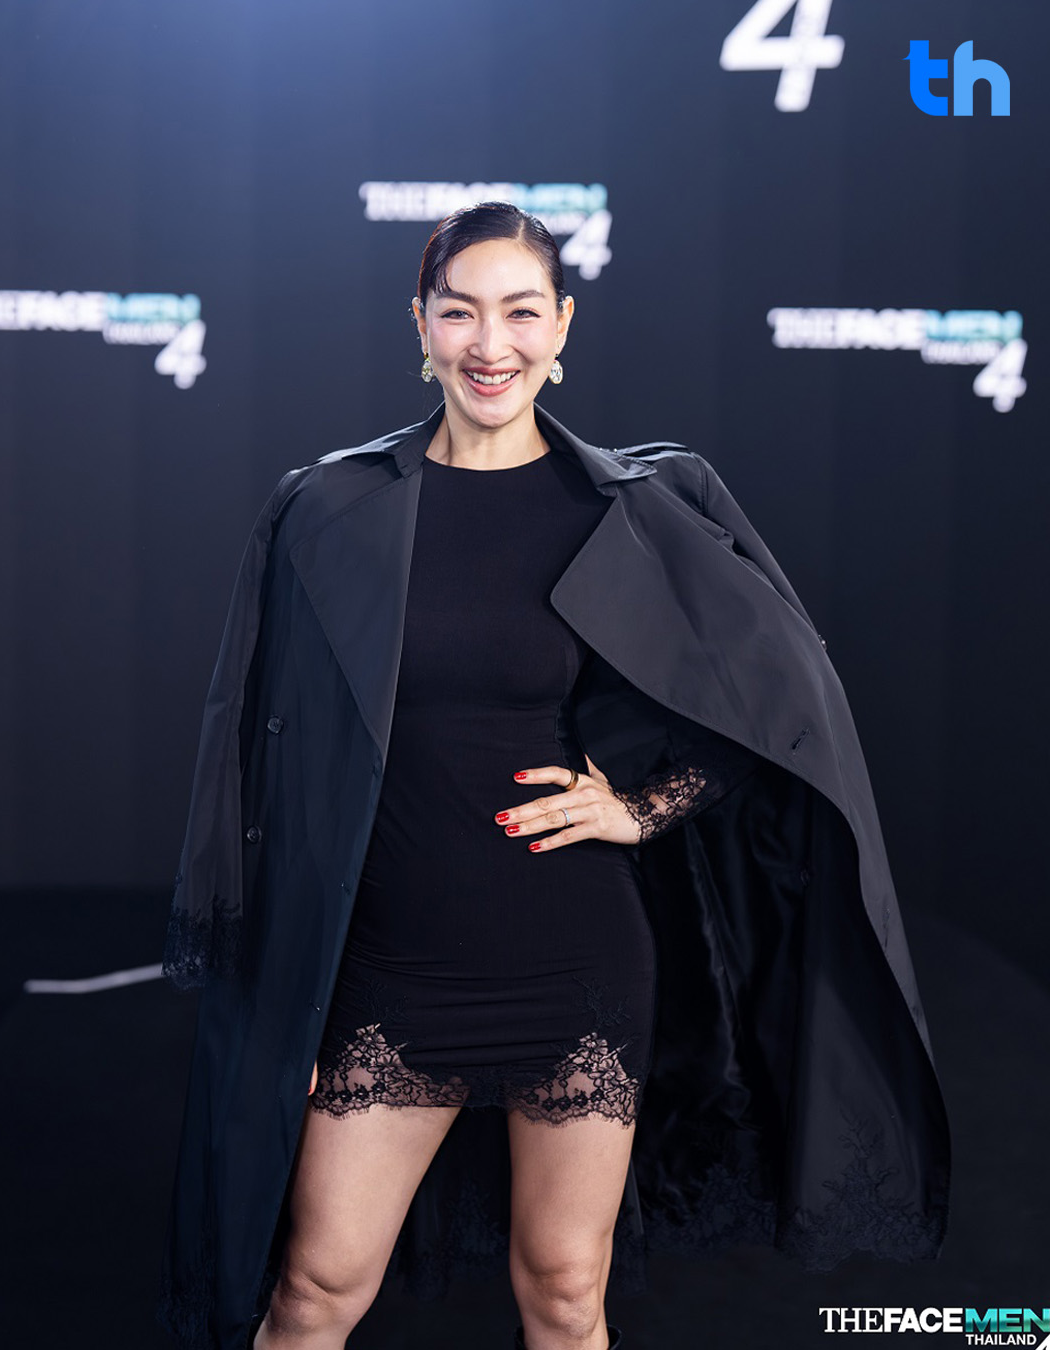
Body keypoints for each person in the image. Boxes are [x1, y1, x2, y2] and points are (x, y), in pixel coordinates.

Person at [157, 203, 949, 1350]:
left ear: (563, 325)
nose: (492, 343)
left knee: (568, 1293)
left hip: (574, 961)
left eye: (521, 312)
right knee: (316, 1291)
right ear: (421, 325)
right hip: (389, 961)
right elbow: (259, 752)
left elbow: (776, 701)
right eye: (461, 312)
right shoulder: (329, 509)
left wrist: (642, 807)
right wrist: (288, 982)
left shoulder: (627, 505)